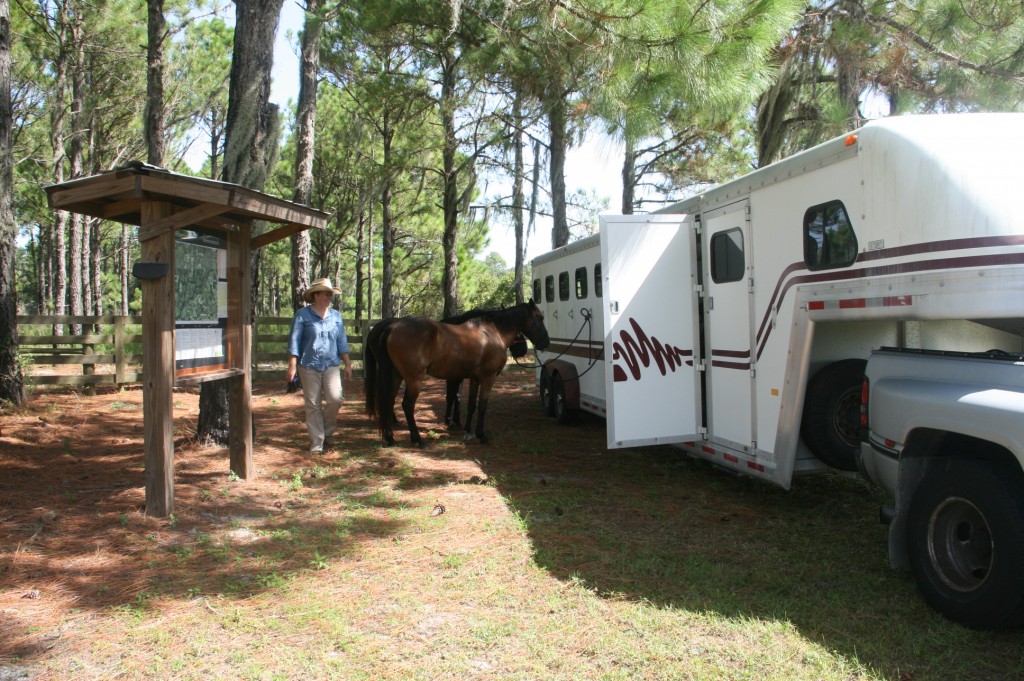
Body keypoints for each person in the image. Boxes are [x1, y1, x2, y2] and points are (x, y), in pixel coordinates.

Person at [287, 278, 353, 453]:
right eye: (326, 293)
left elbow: (342, 342)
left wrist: (347, 364)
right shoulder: (302, 315)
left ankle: (328, 432)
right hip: (308, 365)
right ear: (315, 295)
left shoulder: (336, 316)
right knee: (313, 405)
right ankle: (317, 443)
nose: (329, 296)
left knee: (335, 399)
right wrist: (292, 365)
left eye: (331, 294)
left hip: (331, 365)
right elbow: (294, 340)